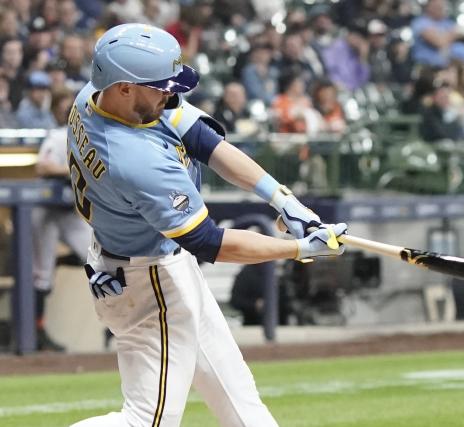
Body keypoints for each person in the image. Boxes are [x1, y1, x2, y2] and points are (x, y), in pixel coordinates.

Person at [68, 24, 347, 427]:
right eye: (157, 85)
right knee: (147, 420)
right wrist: (301, 250)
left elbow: (203, 141)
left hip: (144, 262)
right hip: (148, 282)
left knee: (240, 402)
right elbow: (210, 242)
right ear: (124, 87)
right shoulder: (134, 160)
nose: (168, 92)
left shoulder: (92, 97)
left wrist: (285, 201)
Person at [32, 89, 93, 352]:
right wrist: (72, 170)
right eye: (65, 108)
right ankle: (36, 332)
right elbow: (42, 167)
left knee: (93, 255)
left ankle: (58, 261)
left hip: (69, 211)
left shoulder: (88, 137)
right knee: (41, 276)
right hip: (44, 210)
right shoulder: (56, 136)